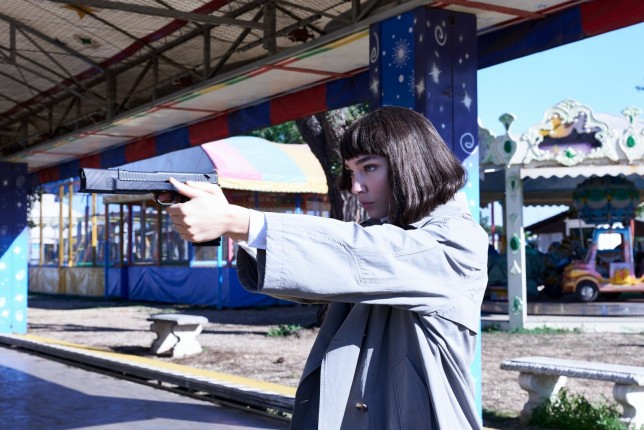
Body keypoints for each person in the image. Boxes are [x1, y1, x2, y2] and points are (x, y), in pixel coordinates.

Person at [165, 106, 489, 429]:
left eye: (370, 167)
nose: (356, 186)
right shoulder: (388, 234)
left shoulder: (456, 240)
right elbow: (327, 271)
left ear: (412, 163)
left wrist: (241, 222)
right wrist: (236, 225)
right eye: (352, 172)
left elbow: (361, 254)